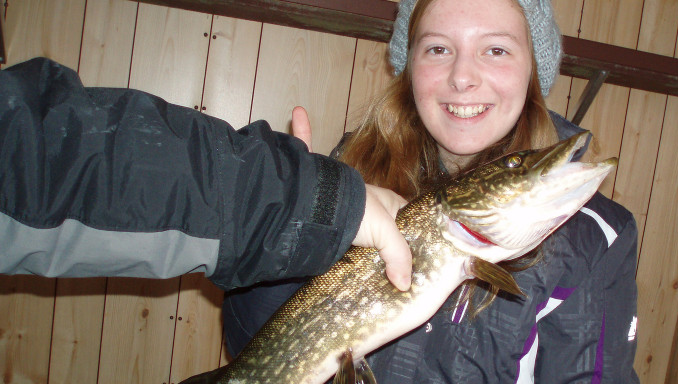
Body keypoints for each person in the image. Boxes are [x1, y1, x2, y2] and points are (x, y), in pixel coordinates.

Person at [222, 0, 640, 384]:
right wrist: (271, 233)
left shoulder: (593, 236)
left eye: (495, 48)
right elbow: (253, 350)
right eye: (438, 48)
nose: (463, 77)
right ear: (408, 66)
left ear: (535, 67)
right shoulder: (343, 180)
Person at [0, 57, 412, 292]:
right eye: (437, 49)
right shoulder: (352, 164)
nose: (462, 78)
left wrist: (298, 205)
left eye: (483, 48)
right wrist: (300, 211)